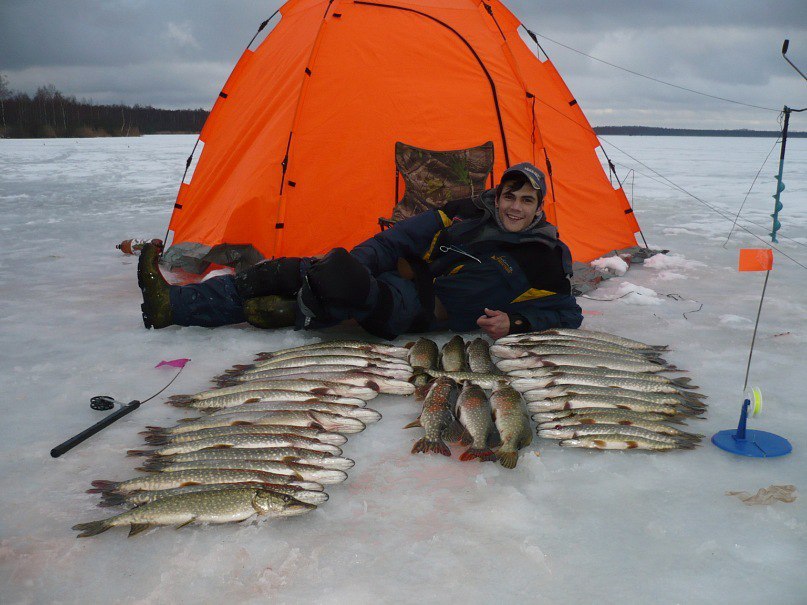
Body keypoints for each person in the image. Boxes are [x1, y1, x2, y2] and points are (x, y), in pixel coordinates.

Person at [138, 162, 583, 340]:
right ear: (499, 195)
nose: (515, 208)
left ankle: (301, 308)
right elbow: (397, 240)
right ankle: (174, 305)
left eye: (527, 201)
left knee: (323, 281)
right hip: (391, 281)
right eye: (510, 196)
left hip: (412, 313)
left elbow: (567, 313)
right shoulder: (467, 214)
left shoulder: (545, 257)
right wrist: (355, 264)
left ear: (539, 206)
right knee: (298, 272)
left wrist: (517, 320)